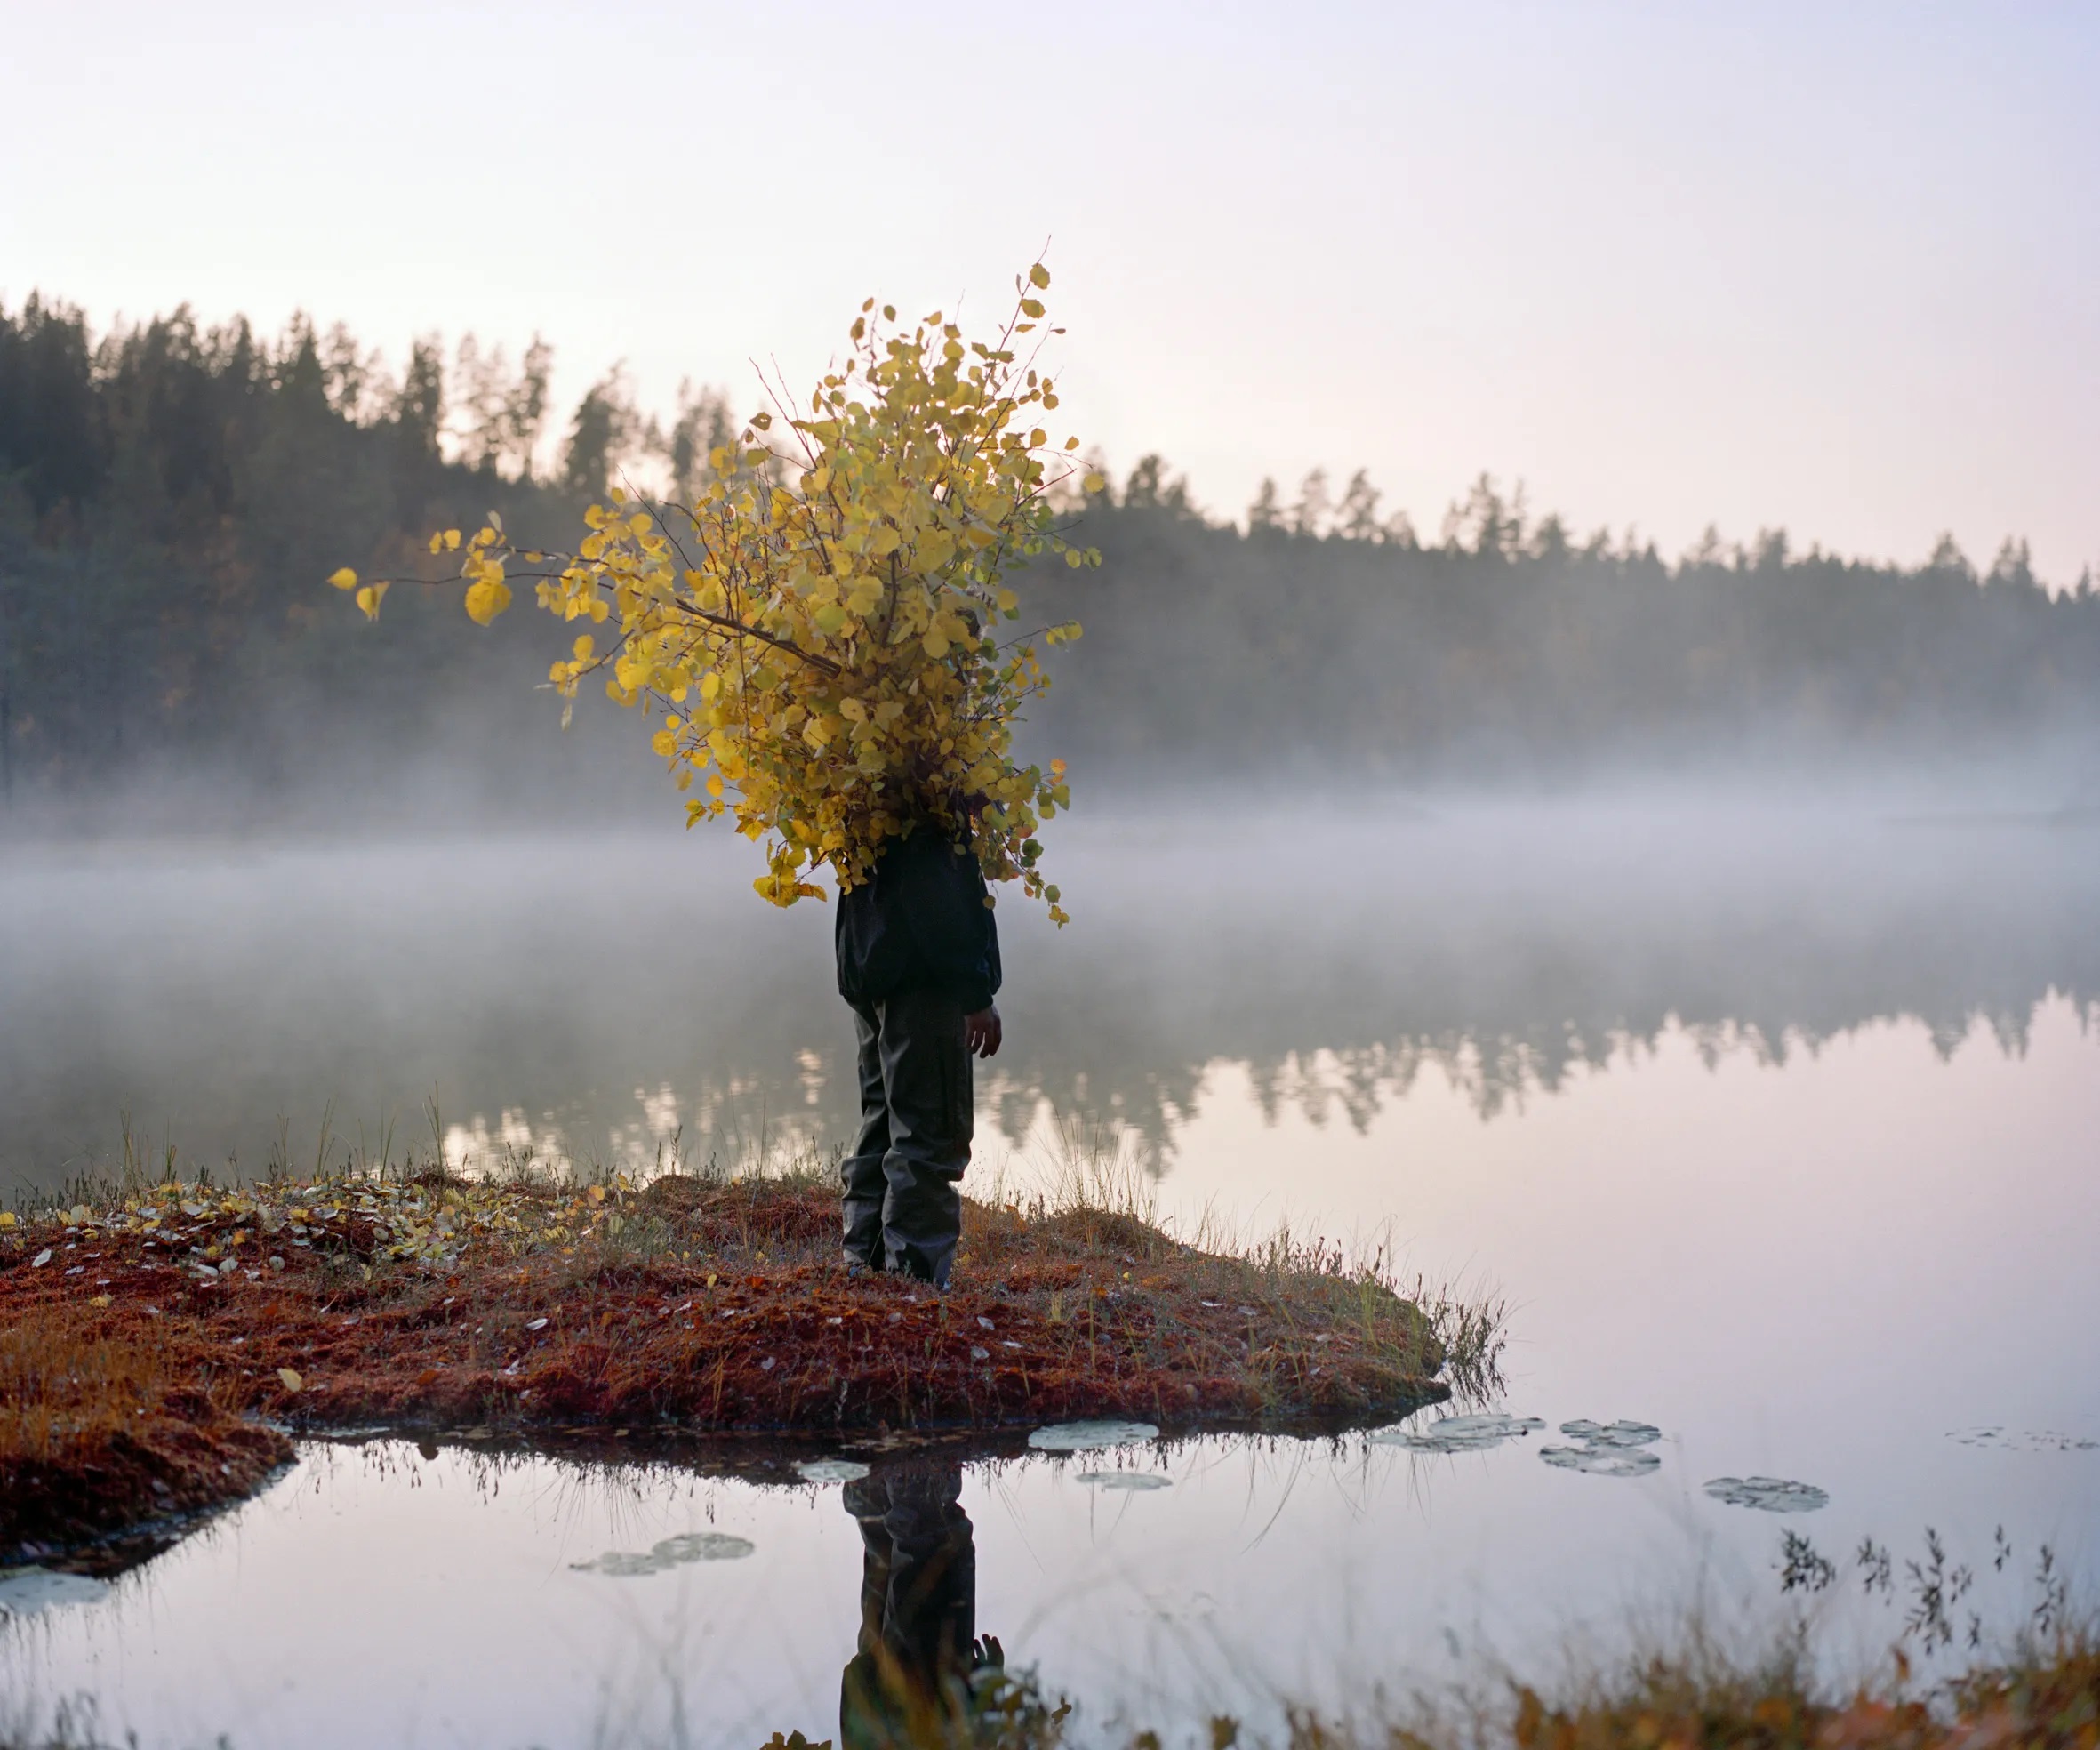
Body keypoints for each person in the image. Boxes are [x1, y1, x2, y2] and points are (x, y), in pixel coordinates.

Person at [834, 823, 1002, 1287]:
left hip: (870, 967)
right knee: (927, 1133)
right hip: (923, 983)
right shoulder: (924, 789)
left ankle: (863, 1266)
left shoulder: (861, 787)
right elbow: (936, 897)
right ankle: (914, 1281)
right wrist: (974, 992)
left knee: (884, 1122)